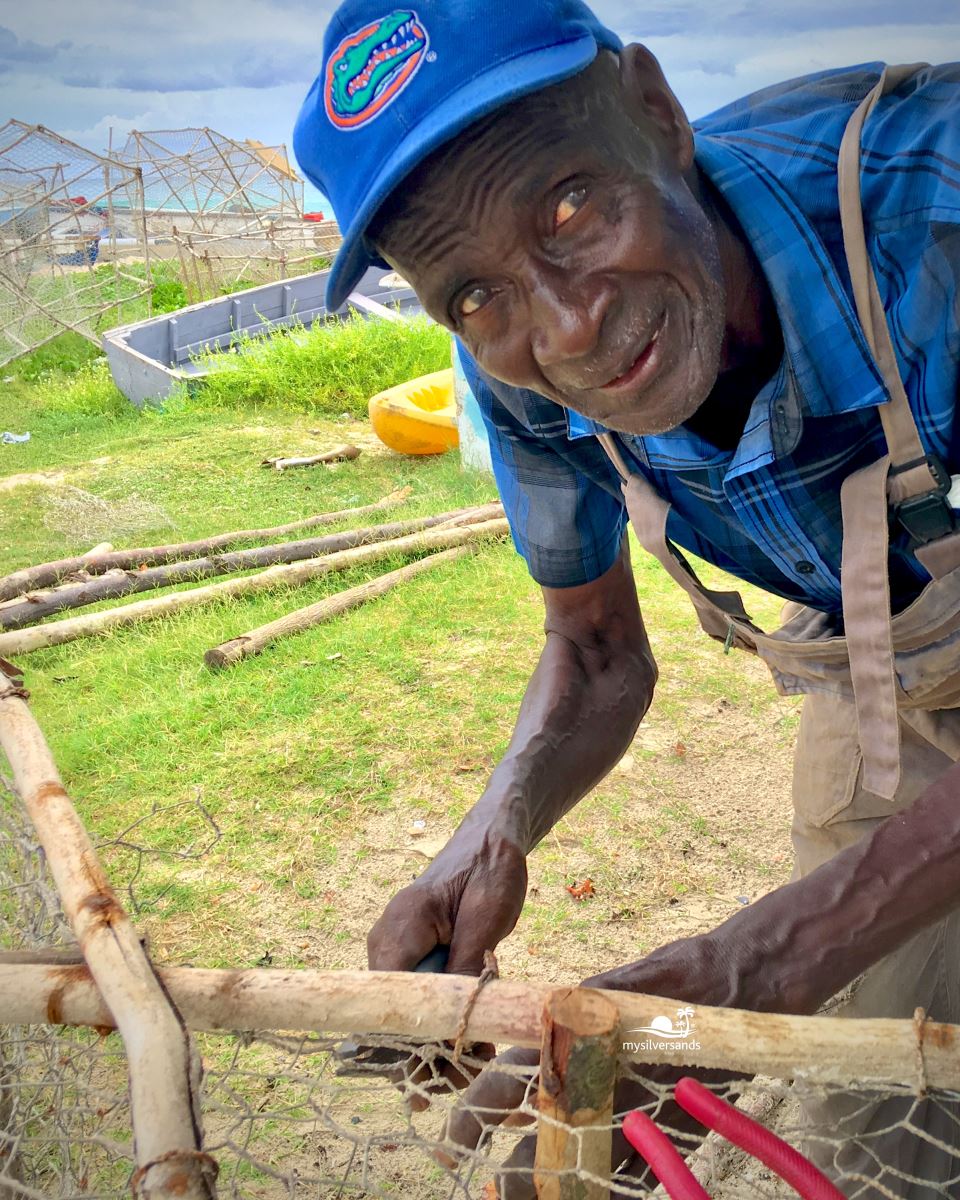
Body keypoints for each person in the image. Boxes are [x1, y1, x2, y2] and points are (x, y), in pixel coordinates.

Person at [294, 3, 960, 1194]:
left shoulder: (937, 206)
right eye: (472, 295)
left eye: (568, 206)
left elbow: (780, 958)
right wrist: (492, 829)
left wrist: (762, 958)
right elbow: (596, 654)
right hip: (887, 661)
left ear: (657, 111)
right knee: (887, 1096)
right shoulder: (518, 369)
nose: (565, 327)